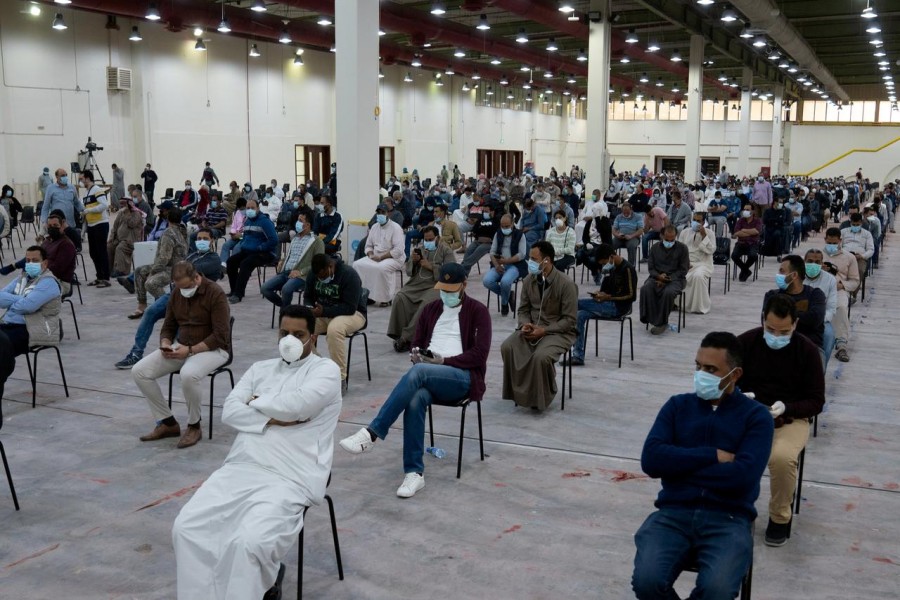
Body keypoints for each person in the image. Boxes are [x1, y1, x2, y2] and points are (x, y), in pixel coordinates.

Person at [172, 304, 341, 600]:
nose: (289, 339)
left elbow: (299, 405)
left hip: (292, 473)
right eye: (284, 333)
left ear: (313, 337)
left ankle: (257, 589)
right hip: (242, 465)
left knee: (249, 543)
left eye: (298, 334)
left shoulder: (325, 370)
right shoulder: (260, 369)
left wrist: (257, 401)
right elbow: (230, 412)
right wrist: (276, 416)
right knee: (187, 528)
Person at [632, 332, 773, 600]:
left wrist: (679, 465)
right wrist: (712, 455)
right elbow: (651, 460)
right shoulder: (677, 406)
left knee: (717, 590)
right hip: (673, 514)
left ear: (734, 374)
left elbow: (742, 478)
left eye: (710, 369)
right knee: (647, 581)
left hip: (728, 519)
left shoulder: (756, 417)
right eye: (697, 366)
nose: (701, 374)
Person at [340, 263, 492, 500]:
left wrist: (443, 361)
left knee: (420, 372)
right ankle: (414, 473)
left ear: (463, 286)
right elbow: (416, 343)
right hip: (429, 375)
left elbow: (480, 354)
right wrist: (417, 354)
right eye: (443, 289)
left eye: (452, 290)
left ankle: (372, 432)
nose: (446, 294)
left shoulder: (478, 311)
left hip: (462, 378)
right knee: (415, 398)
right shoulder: (431, 310)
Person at [737, 294, 825, 547]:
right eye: (770, 329)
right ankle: (731, 508)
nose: (776, 336)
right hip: (749, 414)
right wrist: (740, 397)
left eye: (783, 331)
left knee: (782, 458)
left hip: (790, 419)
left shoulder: (807, 351)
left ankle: (779, 516)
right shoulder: (746, 342)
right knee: (723, 450)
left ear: (795, 324)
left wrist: (789, 407)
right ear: (763, 320)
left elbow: (816, 401)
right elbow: (725, 379)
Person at [133, 261, 231, 448]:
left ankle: (194, 426)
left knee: (188, 374)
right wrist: (166, 343)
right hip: (182, 346)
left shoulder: (215, 293)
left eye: (186, 286)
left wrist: (192, 350)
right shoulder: (177, 293)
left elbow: (221, 335)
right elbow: (168, 325)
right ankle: (168, 423)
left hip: (214, 349)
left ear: (196, 277)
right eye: (179, 287)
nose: (183, 290)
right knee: (140, 371)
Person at [115, 229, 222, 369]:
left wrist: (177, 269)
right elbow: (177, 271)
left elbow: (186, 272)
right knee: (150, 312)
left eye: (205, 239)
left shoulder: (213, 259)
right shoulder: (192, 255)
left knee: (179, 325)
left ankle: (179, 353)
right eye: (199, 238)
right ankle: (136, 353)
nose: (201, 241)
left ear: (212, 240)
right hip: (175, 295)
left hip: (195, 300)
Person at [500, 241, 578, 411]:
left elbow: (570, 320)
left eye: (534, 259)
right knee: (508, 347)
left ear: (547, 260)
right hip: (532, 328)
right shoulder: (529, 280)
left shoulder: (565, 284)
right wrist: (525, 324)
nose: (530, 262)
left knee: (540, 357)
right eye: (530, 258)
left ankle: (540, 397)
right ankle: (520, 393)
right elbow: (523, 309)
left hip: (558, 332)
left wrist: (545, 330)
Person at [565, 243, 637, 366]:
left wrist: (609, 297)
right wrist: (600, 294)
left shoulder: (627, 269)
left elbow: (631, 295)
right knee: (579, 315)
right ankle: (578, 355)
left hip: (619, 307)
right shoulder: (610, 269)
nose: (604, 265)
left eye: (604, 262)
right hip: (607, 303)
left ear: (611, 257)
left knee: (575, 304)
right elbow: (606, 289)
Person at [304, 253, 366, 394]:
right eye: (319, 277)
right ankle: (318, 367)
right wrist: (309, 308)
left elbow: (350, 308)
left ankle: (340, 378)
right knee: (302, 327)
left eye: (324, 276)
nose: (321, 279)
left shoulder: (349, 275)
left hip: (353, 314)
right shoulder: (313, 273)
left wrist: (323, 311)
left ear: (330, 267)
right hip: (324, 313)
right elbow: (307, 296)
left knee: (334, 329)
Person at [387, 226, 456, 352]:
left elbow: (452, 273)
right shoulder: (419, 250)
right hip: (416, 284)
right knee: (400, 297)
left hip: (436, 285)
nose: (428, 242)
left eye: (430, 239)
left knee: (426, 304)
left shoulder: (446, 251)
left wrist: (431, 267)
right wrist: (413, 262)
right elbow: (409, 272)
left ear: (438, 238)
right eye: (426, 239)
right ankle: (398, 335)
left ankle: (406, 338)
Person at [0, 246, 62, 355]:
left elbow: (27, 306)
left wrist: (12, 302)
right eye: (28, 261)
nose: (30, 264)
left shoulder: (48, 282)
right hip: (9, 324)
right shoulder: (22, 278)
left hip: (31, 329)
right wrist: (23, 298)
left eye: (35, 261)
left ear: (45, 263)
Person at [763, 255, 827, 354]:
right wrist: (801, 317)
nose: (778, 275)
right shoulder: (772, 295)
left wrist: (782, 317)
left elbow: (815, 319)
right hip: (778, 347)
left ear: (794, 275)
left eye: (782, 271)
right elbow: (766, 319)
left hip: (810, 349)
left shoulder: (815, 294)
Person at [131, 208, 188, 319]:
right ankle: (142, 305)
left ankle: (168, 307)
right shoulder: (182, 229)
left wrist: (153, 271)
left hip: (171, 268)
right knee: (139, 271)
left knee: (151, 283)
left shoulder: (169, 233)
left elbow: (164, 258)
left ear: (168, 219)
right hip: (179, 266)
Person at [260, 213, 324, 309]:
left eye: (300, 221)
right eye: (297, 220)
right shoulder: (295, 238)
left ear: (308, 225)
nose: (297, 223)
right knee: (265, 288)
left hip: (301, 276)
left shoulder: (316, 241)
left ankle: (285, 313)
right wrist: (282, 261)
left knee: (286, 289)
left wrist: (300, 272)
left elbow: (319, 264)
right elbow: (291, 255)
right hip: (286, 273)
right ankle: (286, 308)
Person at [226, 199, 278, 304]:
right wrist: (244, 244)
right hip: (249, 251)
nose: (249, 210)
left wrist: (260, 247)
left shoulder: (265, 222)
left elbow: (274, 240)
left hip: (265, 253)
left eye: (252, 208)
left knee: (246, 263)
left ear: (258, 208)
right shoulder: (247, 221)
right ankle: (234, 290)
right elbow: (246, 237)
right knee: (231, 261)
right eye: (248, 208)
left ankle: (238, 294)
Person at [353, 204, 406, 306]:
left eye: (383, 212)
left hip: (394, 257)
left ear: (388, 214)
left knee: (381, 268)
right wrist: (370, 254)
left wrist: (381, 257)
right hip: (376, 255)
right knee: (357, 265)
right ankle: (368, 296)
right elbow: (368, 245)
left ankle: (386, 298)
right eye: (378, 212)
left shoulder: (396, 228)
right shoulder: (374, 227)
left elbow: (398, 250)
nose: (380, 215)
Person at [640, 225, 689, 335]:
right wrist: (658, 276)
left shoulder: (682, 248)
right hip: (656, 277)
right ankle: (651, 317)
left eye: (672, 239)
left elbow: (683, 269)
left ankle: (661, 322)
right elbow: (651, 268)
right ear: (662, 236)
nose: (670, 242)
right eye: (667, 239)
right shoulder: (655, 248)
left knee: (668, 292)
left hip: (676, 279)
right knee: (646, 289)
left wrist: (668, 278)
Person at [822, 228, 859, 363]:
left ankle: (841, 345)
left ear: (840, 241)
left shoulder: (849, 257)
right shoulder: (817, 255)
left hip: (838, 289)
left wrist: (842, 285)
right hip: (818, 288)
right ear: (825, 239)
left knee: (841, 307)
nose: (831, 245)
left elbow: (855, 281)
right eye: (829, 242)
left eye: (834, 243)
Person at [483, 214, 528, 317]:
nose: (504, 228)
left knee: (505, 282)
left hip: (515, 265)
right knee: (487, 281)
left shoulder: (520, 235)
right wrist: (496, 265)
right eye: (502, 226)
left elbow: (522, 254)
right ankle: (508, 296)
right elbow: (492, 252)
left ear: (512, 224)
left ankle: (504, 304)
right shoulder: (498, 234)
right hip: (499, 265)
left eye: (507, 226)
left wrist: (507, 261)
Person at [803, 249, 838, 366]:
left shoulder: (830, 280)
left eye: (817, 262)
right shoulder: (796, 277)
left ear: (822, 264)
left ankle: (820, 371)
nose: (813, 264)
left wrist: (816, 320)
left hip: (821, 319)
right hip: (798, 318)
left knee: (829, 335)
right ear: (804, 261)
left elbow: (831, 309)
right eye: (810, 261)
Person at [79, 170, 112, 287]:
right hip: (91, 225)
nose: (81, 181)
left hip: (101, 224)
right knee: (93, 252)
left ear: (88, 178)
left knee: (101, 251)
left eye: (82, 179)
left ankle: (106, 278)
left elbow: (104, 205)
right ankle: (99, 276)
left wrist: (88, 210)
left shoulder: (97, 189)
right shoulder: (86, 193)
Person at [678, 213, 715, 314]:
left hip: (703, 263)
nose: (695, 222)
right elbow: (678, 250)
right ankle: (678, 303)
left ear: (703, 222)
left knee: (698, 276)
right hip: (686, 263)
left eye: (698, 221)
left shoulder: (710, 233)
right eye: (694, 220)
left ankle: (698, 307)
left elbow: (711, 250)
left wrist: (704, 236)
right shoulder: (684, 232)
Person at [106, 193, 145, 278]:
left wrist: (127, 214)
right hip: (120, 239)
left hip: (131, 240)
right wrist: (111, 237)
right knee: (109, 246)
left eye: (124, 204)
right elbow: (115, 227)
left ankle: (121, 270)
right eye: (121, 204)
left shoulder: (136, 213)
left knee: (120, 248)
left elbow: (132, 224)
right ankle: (109, 269)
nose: (122, 206)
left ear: (129, 204)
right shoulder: (121, 213)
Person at [460, 201, 498, 275]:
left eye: (487, 211)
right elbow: (474, 230)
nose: (485, 213)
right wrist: (477, 237)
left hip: (489, 243)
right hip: (477, 241)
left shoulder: (496, 221)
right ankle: (464, 273)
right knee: (469, 251)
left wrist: (488, 239)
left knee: (477, 252)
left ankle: (461, 268)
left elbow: (496, 233)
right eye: (484, 211)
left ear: (492, 212)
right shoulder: (480, 219)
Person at [731, 203, 762, 281]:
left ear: (753, 211)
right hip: (741, 243)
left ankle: (743, 271)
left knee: (753, 256)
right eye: (744, 209)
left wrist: (743, 230)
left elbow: (756, 231)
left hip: (752, 244)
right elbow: (736, 232)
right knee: (734, 256)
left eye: (747, 210)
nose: (745, 211)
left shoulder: (757, 221)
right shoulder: (741, 220)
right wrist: (749, 233)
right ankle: (746, 270)